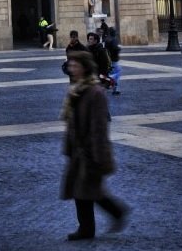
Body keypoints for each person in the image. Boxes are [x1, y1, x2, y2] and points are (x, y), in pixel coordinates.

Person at [60, 50, 129, 241]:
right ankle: (88, 227)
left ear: (85, 67)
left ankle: (115, 214)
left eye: (75, 65)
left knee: (89, 190)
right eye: (70, 65)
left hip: (90, 150)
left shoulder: (95, 92)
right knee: (83, 191)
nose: (71, 68)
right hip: (79, 149)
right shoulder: (77, 89)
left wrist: (96, 155)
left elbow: (99, 127)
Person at [105, 29, 122, 95]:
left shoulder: (107, 40)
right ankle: (115, 88)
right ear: (113, 33)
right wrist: (119, 49)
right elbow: (115, 48)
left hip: (109, 59)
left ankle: (111, 85)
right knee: (116, 74)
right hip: (114, 59)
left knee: (113, 73)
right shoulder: (114, 40)